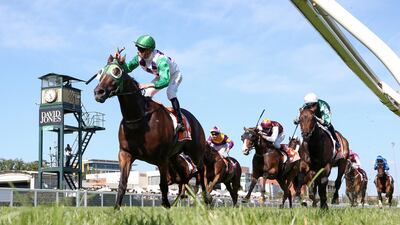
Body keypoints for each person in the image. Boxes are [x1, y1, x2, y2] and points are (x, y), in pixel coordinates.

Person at [120, 34, 184, 132]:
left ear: (149, 50)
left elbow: (165, 81)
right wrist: (120, 62)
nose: (138, 51)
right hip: (161, 76)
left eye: (141, 49)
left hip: (174, 75)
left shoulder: (160, 60)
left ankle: (180, 122)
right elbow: (127, 69)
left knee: (170, 93)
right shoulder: (139, 58)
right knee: (146, 94)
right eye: (138, 48)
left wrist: (148, 84)